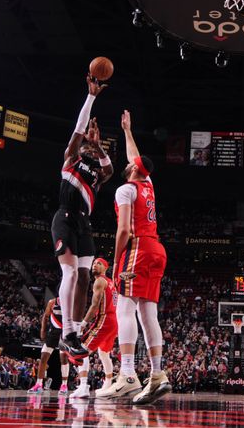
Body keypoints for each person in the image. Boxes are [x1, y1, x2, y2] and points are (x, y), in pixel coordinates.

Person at [103, 110, 172, 404]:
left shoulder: (125, 189)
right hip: (157, 249)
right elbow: (136, 156)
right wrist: (128, 131)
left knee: (124, 309)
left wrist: (115, 261)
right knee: (148, 314)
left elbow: (122, 231)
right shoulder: (148, 185)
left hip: (138, 248)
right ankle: (157, 375)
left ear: (133, 170)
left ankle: (128, 374)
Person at [52, 74, 114, 359]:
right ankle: (67, 332)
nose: (88, 149)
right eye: (87, 147)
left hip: (84, 224)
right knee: (69, 272)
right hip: (64, 217)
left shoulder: (97, 177)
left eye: (91, 148)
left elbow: (111, 170)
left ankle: (74, 332)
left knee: (85, 278)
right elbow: (78, 128)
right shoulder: (71, 159)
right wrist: (91, 97)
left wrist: (99, 145)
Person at [69, 258, 119, 399]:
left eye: (99, 264)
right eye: (94, 263)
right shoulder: (111, 283)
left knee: (81, 350)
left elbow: (94, 305)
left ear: (105, 268)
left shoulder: (100, 281)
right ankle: (108, 384)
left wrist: (83, 323)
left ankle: (84, 386)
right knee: (104, 353)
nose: (94, 265)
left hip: (104, 319)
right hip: (113, 321)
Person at [27, 297, 71, 395]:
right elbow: (46, 316)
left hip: (64, 333)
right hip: (53, 332)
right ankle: (38, 384)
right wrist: (43, 330)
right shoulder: (52, 302)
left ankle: (64, 385)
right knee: (43, 357)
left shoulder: (70, 301)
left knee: (63, 358)